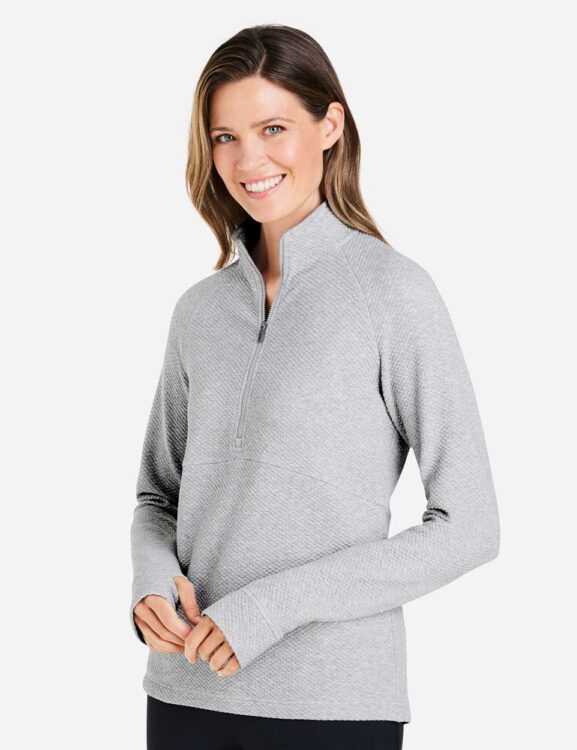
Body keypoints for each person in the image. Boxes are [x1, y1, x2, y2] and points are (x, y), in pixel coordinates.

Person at [130, 23, 501, 750]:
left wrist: (269, 608)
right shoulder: (198, 312)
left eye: (274, 129)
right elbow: (157, 498)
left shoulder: (393, 293)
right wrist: (149, 583)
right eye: (226, 137)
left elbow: (471, 526)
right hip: (184, 694)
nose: (249, 160)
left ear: (330, 126)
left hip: (333, 705)